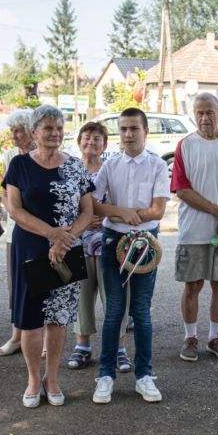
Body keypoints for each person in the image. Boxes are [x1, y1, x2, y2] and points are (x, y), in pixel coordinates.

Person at [3, 105, 94, 407]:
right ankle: (32, 379)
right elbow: (15, 210)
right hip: (30, 248)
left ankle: (51, 378)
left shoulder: (75, 166)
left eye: (58, 128)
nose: (55, 133)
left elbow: (88, 210)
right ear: (34, 132)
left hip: (66, 250)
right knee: (30, 320)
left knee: (59, 318)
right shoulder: (19, 165)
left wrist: (65, 238)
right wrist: (52, 234)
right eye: (47, 128)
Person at [91, 108, 170, 404]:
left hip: (146, 243)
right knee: (114, 311)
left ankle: (144, 376)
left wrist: (128, 214)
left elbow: (157, 210)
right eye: (123, 129)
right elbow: (95, 203)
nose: (128, 134)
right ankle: (106, 375)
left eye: (134, 128)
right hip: (113, 243)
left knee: (141, 311)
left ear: (145, 132)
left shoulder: (157, 166)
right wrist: (118, 212)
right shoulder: (110, 166)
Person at [171, 92, 218, 362]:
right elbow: (181, 190)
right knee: (192, 286)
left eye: (210, 112)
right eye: (200, 113)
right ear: (194, 114)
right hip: (194, 230)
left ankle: (215, 337)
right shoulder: (186, 145)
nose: (205, 118)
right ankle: (190, 337)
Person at [66, 121, 132, 372]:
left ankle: (120, 349)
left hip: (108, 243)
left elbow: (122, 204)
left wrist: (102, 218)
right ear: (79, 141)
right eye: (87, 137)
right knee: (80, 298)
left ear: (105, 144)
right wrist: (80, 222)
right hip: (77, 244)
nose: (91, 142)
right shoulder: (69, 168)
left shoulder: (112, 169)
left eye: (97, 138)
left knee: (115, 297)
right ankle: (82, 348)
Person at [0, 109, 37, 357]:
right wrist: (12, 210)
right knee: (16, 285)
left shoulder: (43, 156)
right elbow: (3, 190)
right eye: (11, 131)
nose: (13, 136)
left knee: (43, 284)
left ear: (31, 130)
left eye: (17, 131)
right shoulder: (11, 156)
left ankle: (40, 339)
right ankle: (16, 336)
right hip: (16, 232)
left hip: (41, 232)